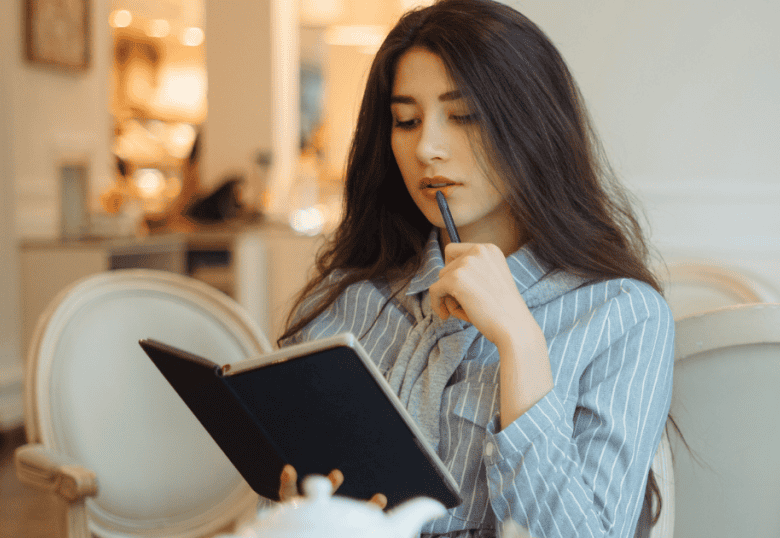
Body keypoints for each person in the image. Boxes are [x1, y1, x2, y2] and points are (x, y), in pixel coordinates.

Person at [277, 0, 674, 536]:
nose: (427, 148)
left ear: (532, 123)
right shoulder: (351, 296)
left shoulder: (622, 315)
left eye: (463, 115)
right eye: (406, 121)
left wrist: (520, 342)